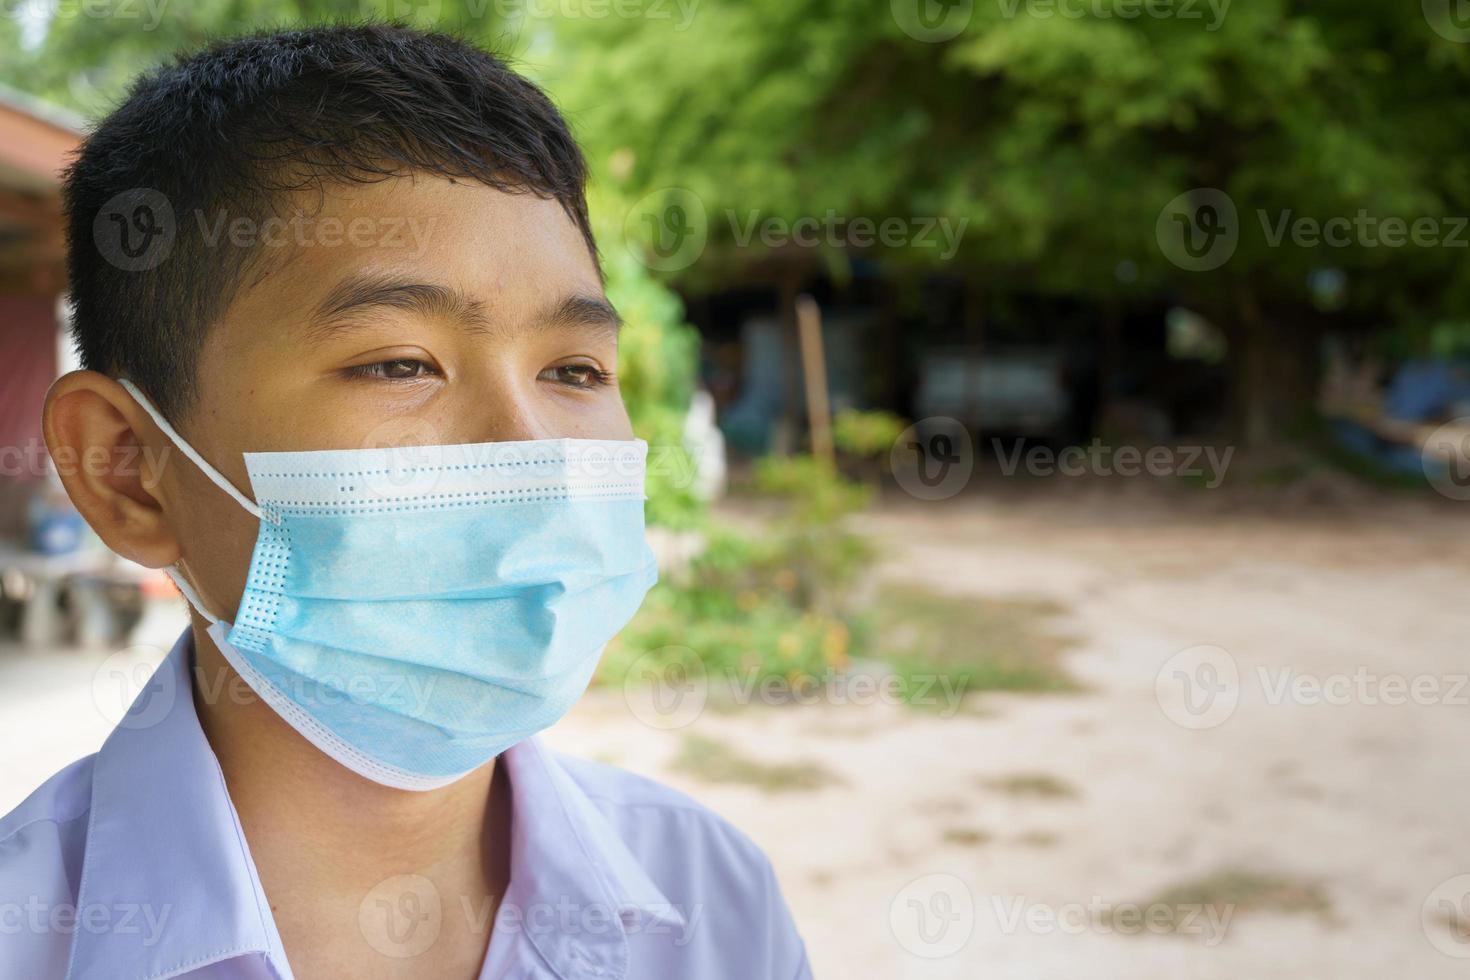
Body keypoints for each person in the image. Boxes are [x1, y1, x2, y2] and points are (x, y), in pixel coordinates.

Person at [0, 24, 810, 980]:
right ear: (127, 468)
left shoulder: (711, 903)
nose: (534, 453)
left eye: (576, 370)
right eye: (398, 363)